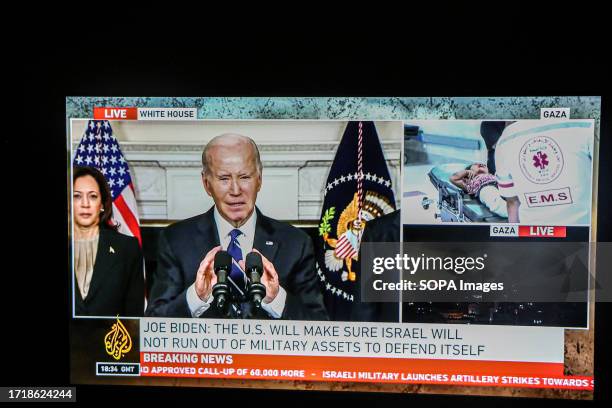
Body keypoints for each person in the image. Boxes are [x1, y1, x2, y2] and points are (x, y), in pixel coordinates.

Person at [145, 134, 328, 320]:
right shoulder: (176, 241)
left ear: (259, 179)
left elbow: (319, 324)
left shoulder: (296, 244)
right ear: (207, 184)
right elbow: (154, 322)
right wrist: (196, 297)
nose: (235, 190)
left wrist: (276, 299)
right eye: (224, 179)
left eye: (244, 177)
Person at [73, 166, 144, 316]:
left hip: (111, 339)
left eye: (92, 196)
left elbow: (134, 316)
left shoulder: (127, 249)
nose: (85, 203)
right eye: (77, 196)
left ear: (102, 204)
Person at [494, 120, 593, 224]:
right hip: (582, 232)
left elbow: (512, 203)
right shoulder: (584, 125)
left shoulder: (505, 141)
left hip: (534, 235)